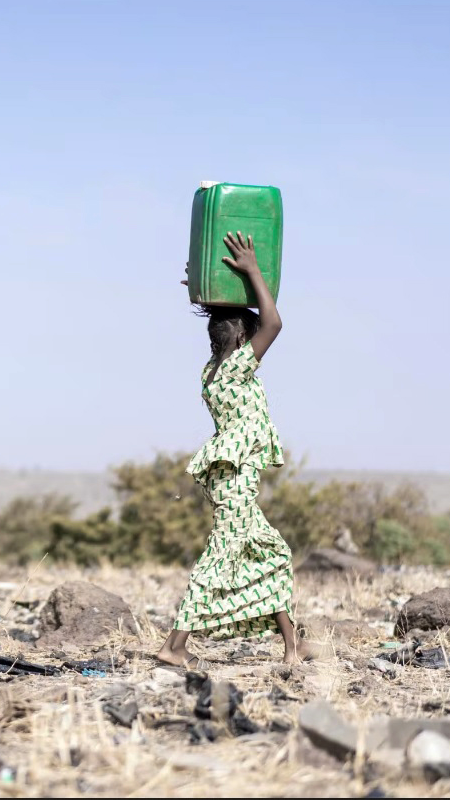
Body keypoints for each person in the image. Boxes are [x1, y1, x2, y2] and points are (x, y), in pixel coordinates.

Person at [157, 231, 307, 668]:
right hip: (236, 476)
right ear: (243, 339)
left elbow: (238, 321)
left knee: (271, 553)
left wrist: (209, 286)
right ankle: (173, 645)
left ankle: (292, 646)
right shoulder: (238, 370)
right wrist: (253, 271)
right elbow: (274, 323)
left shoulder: (212, 372)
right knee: (220, 558)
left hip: (231, 474)